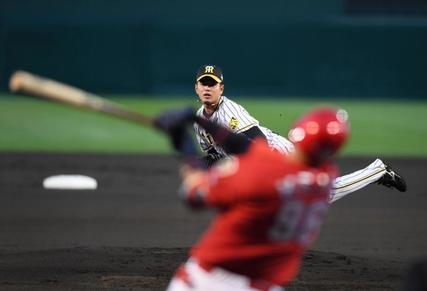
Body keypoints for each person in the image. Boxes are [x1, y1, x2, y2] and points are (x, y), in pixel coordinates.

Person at [155, 105, 350, 291]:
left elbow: (193, 195)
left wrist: (184, 146)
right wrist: (198, 119)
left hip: (208, 281)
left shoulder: (258, 176)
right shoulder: (326, 176)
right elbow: (248, 148)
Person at [192, 64, 406, 203]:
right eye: (204, 83)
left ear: (222, 88)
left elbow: (259, 142)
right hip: (258, 164)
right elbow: (214, 154)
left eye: (213, 83)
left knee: (321, 195)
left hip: (278, 155)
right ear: (197, 88)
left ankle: (377, 171)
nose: (208, 88)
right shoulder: (199, 120)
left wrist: (234, 168)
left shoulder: (229, 112)